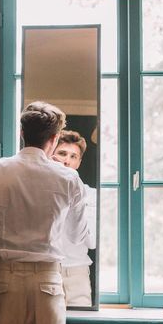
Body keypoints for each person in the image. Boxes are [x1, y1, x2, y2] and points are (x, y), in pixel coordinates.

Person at [0, 101, 90, 324]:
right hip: (47, 284)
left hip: (1, 282)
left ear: (22, 133)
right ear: (55, 138)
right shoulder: (69, 179)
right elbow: (77, 237)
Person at [52, 130, 97, 307]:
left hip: (77, 273)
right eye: (62, 153)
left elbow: (91, 241)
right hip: (44, 273)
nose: (67, 161)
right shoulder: (40, 191)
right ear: (51, 155)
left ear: (79, 162)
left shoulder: (91, 195)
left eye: (73, 156)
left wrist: (75, 200)